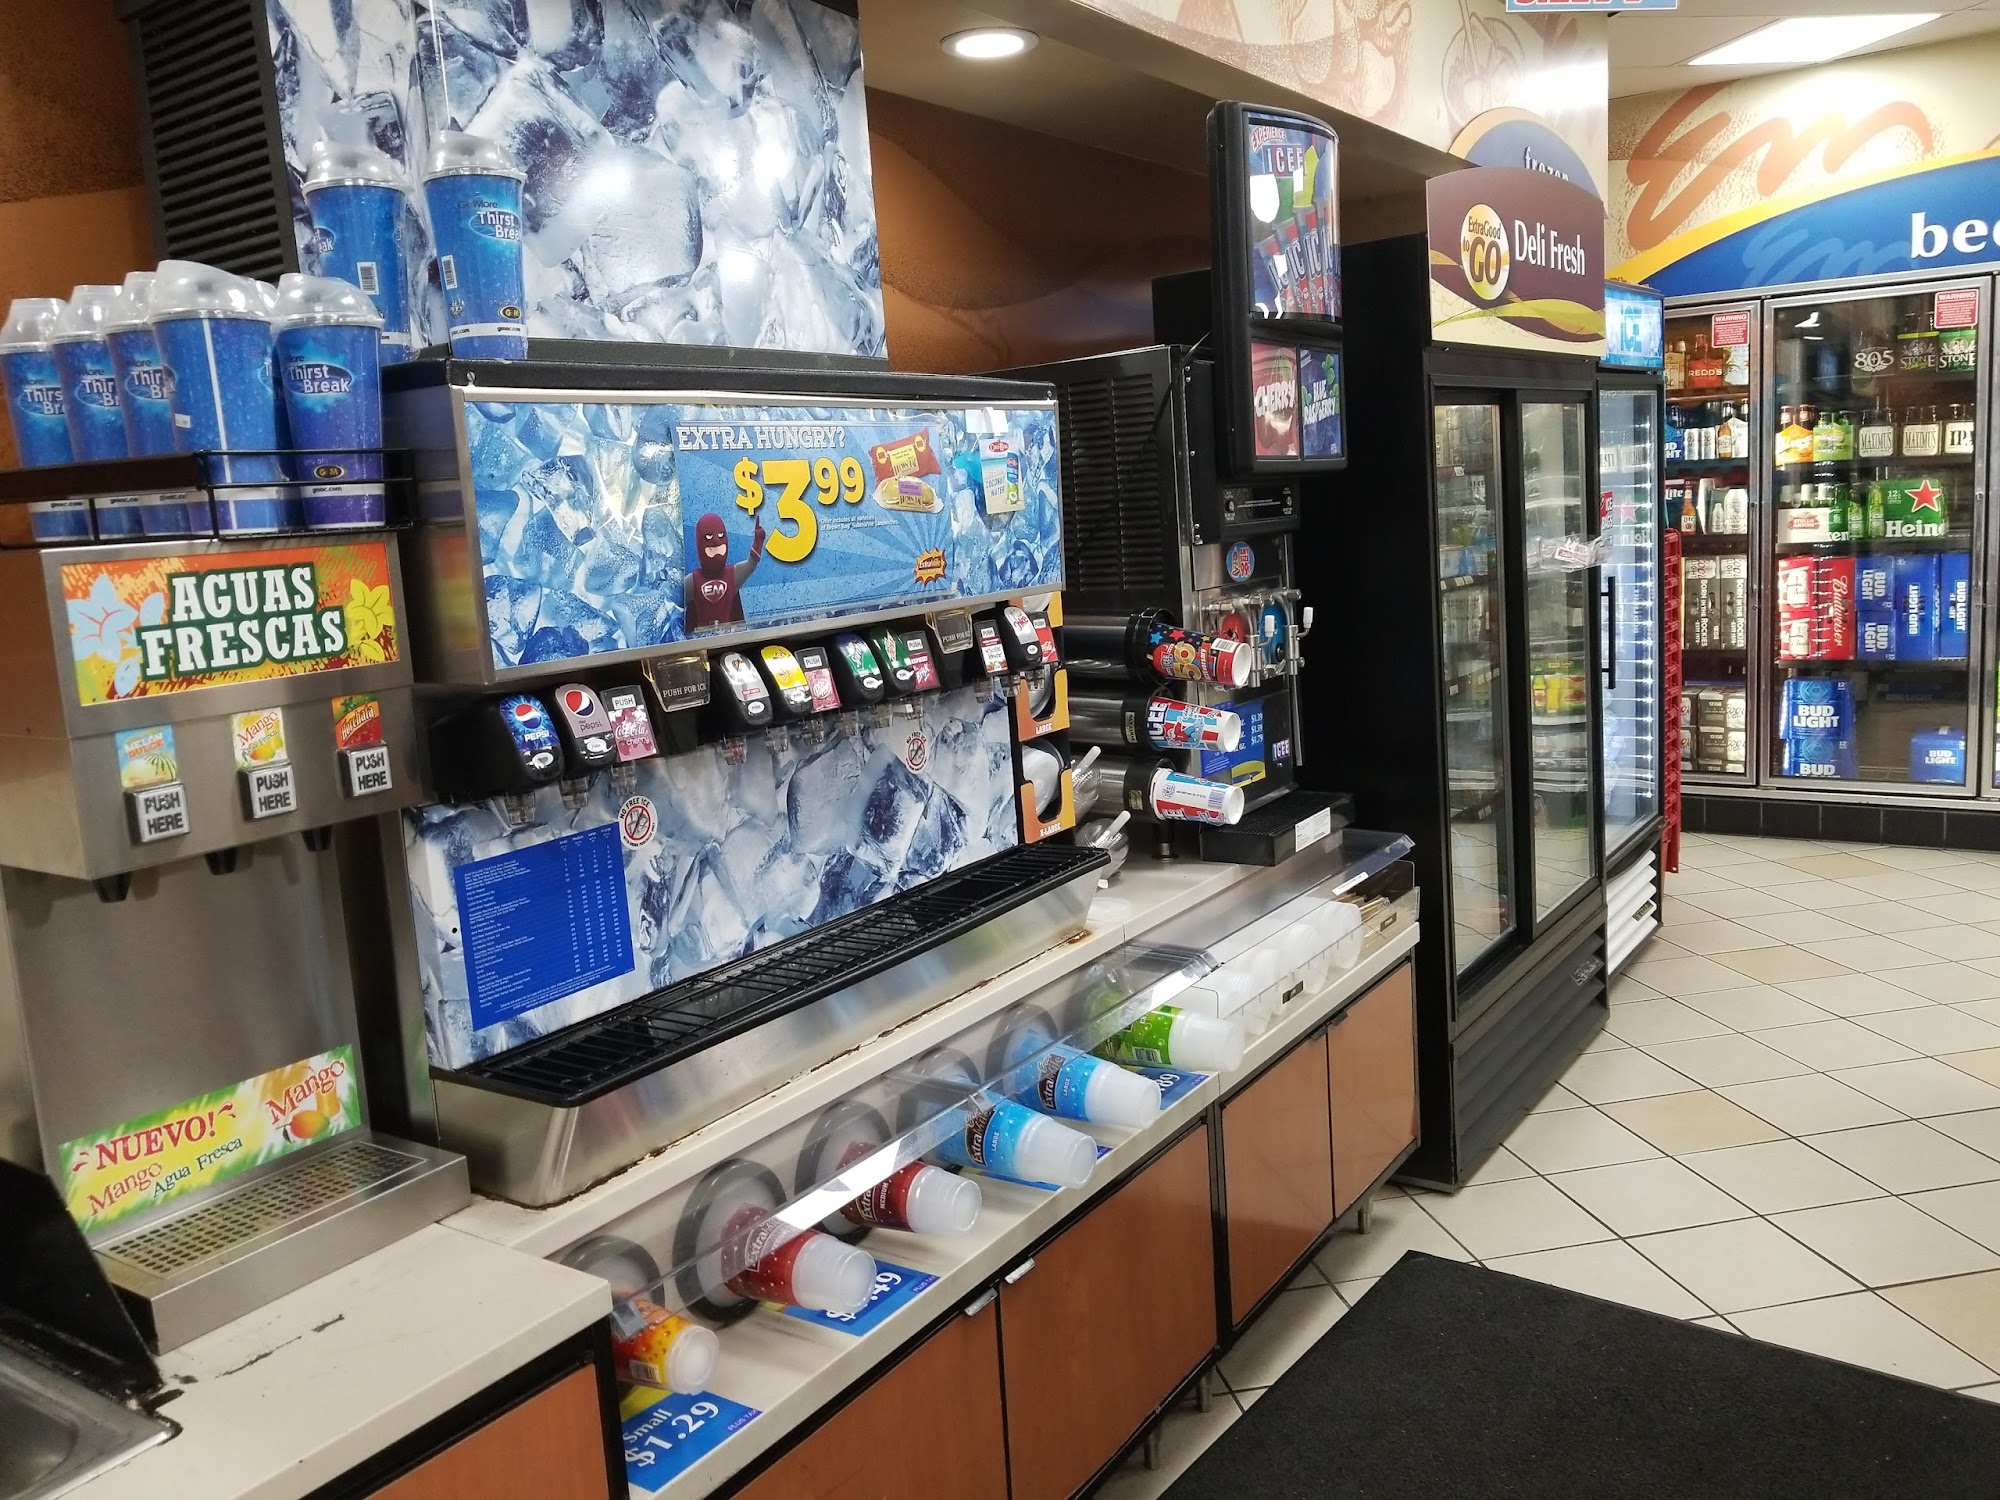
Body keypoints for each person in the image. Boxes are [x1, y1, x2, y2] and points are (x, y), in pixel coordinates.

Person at [685, 511, 764, 627]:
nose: (716, 541)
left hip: (730, 634)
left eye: (721, 536)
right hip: (701, 635)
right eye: (709, 537)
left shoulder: (732, 574)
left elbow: (751, 563)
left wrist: (758, 541)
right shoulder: (692, 581)